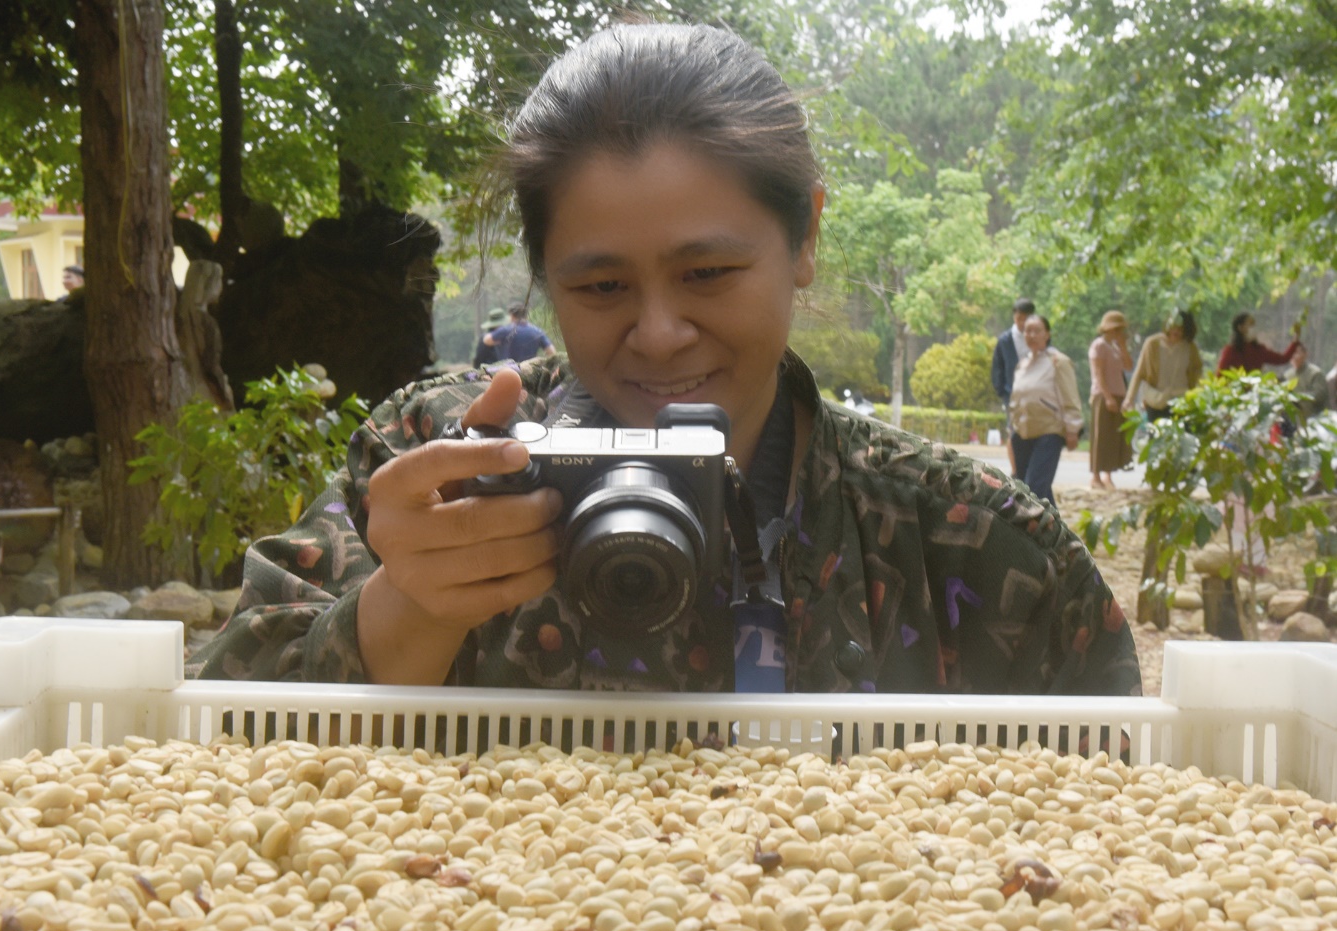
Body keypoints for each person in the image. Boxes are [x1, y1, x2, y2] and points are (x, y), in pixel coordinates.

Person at [189, 23, 1138, 697]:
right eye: (601, 287)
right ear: (546, 277)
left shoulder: (963, 541)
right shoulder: (432, 466)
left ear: (804, 236)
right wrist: (410, 608)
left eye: (707, 273)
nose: (657, 333)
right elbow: (216, 750)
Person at [1008, 316, 1083, 507]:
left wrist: (1072, 429)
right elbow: (1016, 399)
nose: (1031, 335)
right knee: (1030, 489)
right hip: (1023, 434)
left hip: (1049, 432)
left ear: (1047, 334)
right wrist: (1013, 427)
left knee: (1035, 488)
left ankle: (1038, 525)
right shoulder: (1022, 364)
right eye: (1028, 331)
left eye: (1037, 331)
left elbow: (1070, 397)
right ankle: (1055, 525)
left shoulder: (1058, 361)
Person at [1123, 309, 1202, 422]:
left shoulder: (1190, 348)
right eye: (1174, 327)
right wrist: (1129, 399)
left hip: (1182, 402)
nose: (1176, 331)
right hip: (1156, 401)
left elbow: (1197, 374)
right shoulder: (1152, 344)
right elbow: (1140, 373)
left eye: (1180, 329)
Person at [1087, 311, 1133, 489]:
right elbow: (1098, 374)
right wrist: (1107, 397)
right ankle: (1095, 476)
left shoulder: (1115, 347)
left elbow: (1128, 366)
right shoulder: (1099, 345)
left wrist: (1123, 346)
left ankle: (1108, 475)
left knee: (1113, 437)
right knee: (1101, 437)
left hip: (1119, 393)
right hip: (1103, 395)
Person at [992, 298, 1036, 475]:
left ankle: (1029, 469)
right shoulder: (1005, 340)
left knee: (1032, 431)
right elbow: (998, 368)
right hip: (1012, 394)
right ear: (1014, 317)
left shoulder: (1037, 336)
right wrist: (1002, 392)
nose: (1022, 323)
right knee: (1013, 430)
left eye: (1026, 318)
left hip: (1035, 393)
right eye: (1019, 318)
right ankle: (1016, 470)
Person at [1217, 312, 1300, 373]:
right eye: (1251, 325)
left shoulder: (1259, 350)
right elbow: (1219, 376)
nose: (1254, 328)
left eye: (1254, 325)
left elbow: (1283, 359)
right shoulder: (1230, 351)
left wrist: (1295, 340)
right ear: (1241, 328)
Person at [484, 301, 557, 363]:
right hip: (529, 370)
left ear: (511, 315)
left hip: (509, 370)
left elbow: (487, 340)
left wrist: (500, 339)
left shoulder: (506, 330)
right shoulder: (537, 331)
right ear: (526, 315)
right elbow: (552, 352)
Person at [1284, 343, 1330, 418]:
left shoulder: (1315, 373)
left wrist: (1299, 397)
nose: (1293, 356)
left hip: (1315, 418)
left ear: (1305, 354)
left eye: (1297, 353)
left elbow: (1320, 395)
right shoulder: (1287, 376)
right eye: (1291, 353)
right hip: (1294, 419)